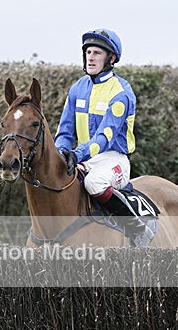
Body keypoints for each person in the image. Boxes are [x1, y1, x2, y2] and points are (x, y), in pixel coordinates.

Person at [54, 28, 154, 247]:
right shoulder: (77, 88)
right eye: (88, 52)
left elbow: (104, 137)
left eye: (97, 52)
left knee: (94, 182)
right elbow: (64, 131)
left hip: (112, 159)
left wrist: (76, 154)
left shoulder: (121, 92)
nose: (91, 56)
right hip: (83, 158)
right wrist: (60, 153)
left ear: (112, 58)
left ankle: (137, 228)